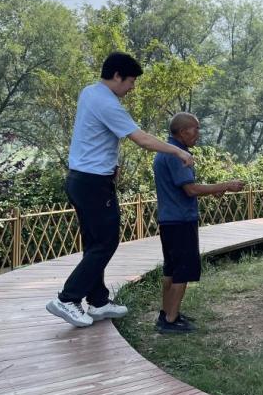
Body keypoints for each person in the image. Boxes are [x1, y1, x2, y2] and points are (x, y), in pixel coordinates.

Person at [46, 52, 195, 328]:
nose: (132, 87)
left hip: (81, 179)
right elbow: (142, 139)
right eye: (130, 81)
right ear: (116, 76)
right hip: (93, 183)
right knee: (106, 242)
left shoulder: (89, 93)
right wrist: (178, 152)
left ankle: (98, 300)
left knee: (95, 243)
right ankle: (68, 298)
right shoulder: (107, 103)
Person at [153, 112, 244, 334]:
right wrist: (226, 185)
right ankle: (171, 321)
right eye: (196, 128)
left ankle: (167, 313)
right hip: (181, 220)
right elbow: (190, 189)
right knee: (183, 271)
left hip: (168, 219)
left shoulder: (165, 151)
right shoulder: (177, 155)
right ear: (183, 132)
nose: (198, 133)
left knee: (171, 270)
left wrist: (215, 190)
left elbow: (184, 188)